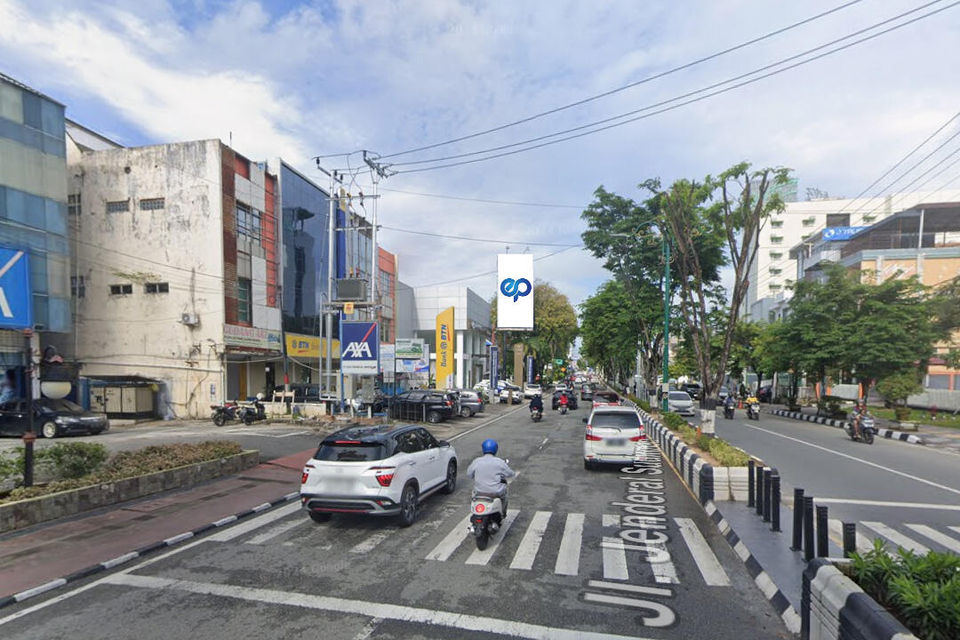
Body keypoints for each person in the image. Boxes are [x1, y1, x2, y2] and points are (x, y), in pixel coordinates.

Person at [467, 439, 516, 517]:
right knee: (505, 495)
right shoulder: (499, 462)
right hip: (495, 493)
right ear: (495, 449)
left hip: (479, 493)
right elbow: (511, 474)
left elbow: (469, 474)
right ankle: (502, 514)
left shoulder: (477, 461)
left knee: (473, 494)